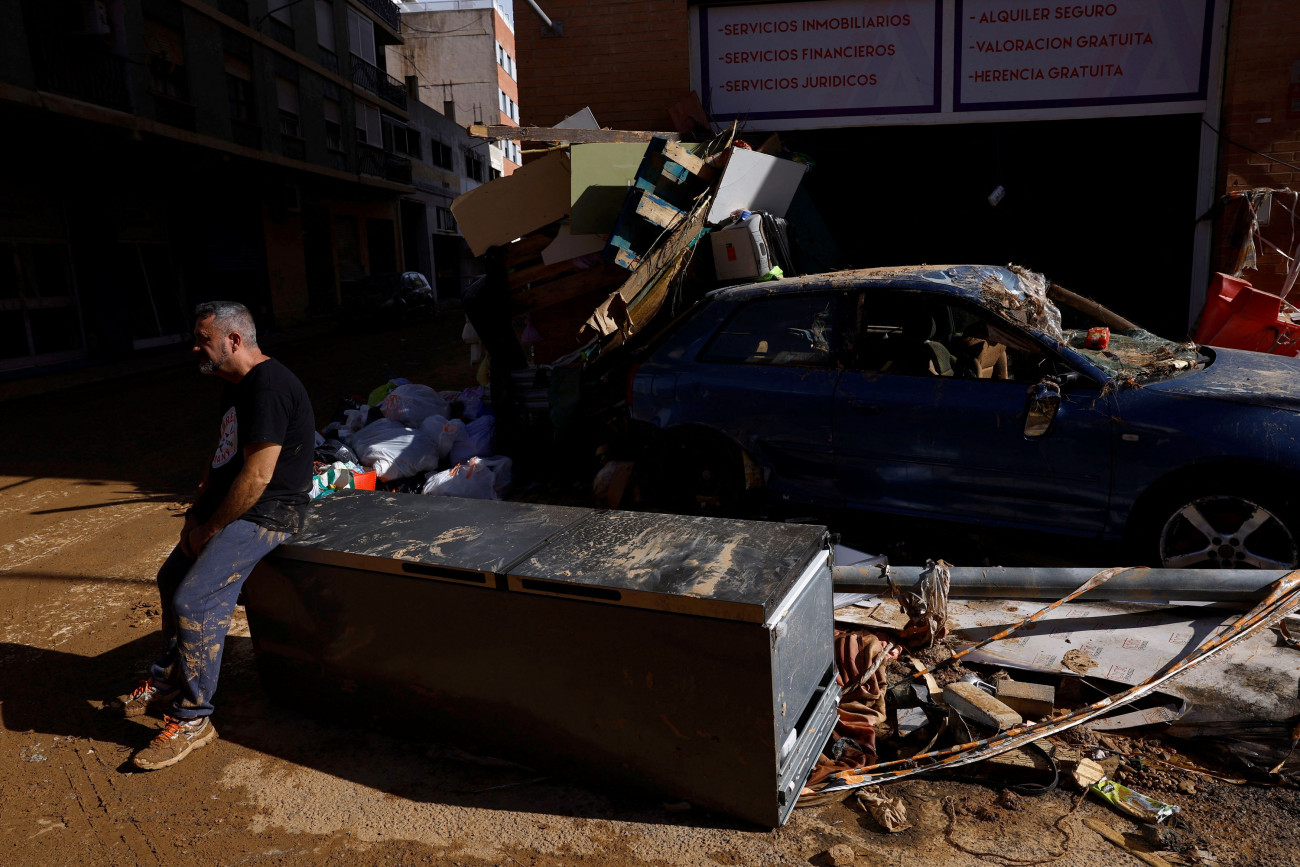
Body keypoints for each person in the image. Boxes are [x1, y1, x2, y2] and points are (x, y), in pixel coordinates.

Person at [112, 301, 315, 770]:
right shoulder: (236, 387)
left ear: (234, 340)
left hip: (269, 513)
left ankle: (194, 718)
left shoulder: (269, 386)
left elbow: (259, 475)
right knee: (171, 578)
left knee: (195, 599)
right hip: (230, 510)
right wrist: (194, 514)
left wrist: (213, 527)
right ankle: (166, 683)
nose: (195, 347)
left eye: (203, 339)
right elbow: (222, 458)